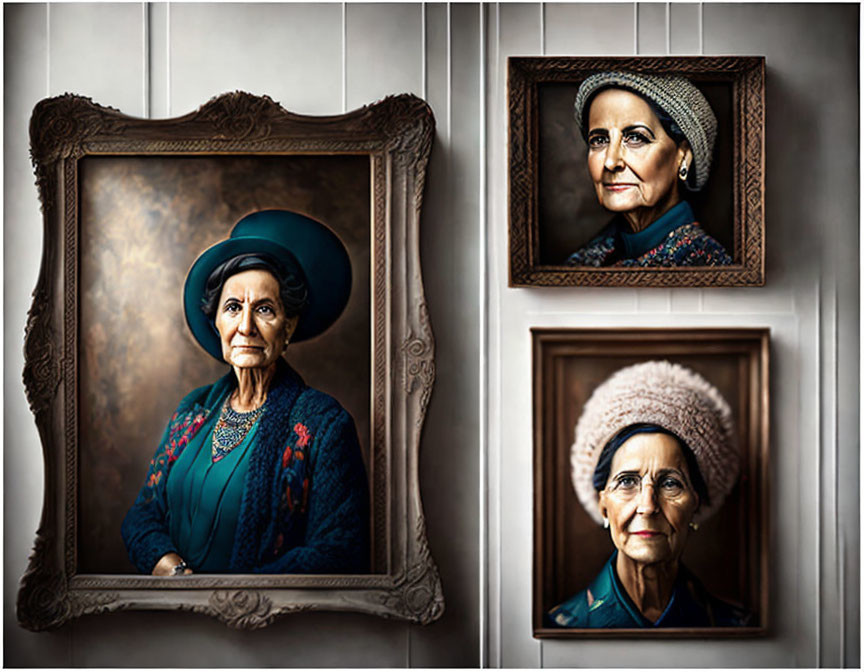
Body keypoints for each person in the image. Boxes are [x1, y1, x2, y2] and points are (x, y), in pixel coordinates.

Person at [121, 209, 369, 575]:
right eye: (233, 307)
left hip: (262, 627)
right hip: (169, 617)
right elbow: (143, 515)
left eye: (265, 309)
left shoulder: (324, 425)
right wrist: (174, 574)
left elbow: (338, 552)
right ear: (216, 321)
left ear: (289, 327)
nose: (246, 326)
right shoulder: (194, 409)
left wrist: (230, 598)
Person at [546, 361, 750, 628]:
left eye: (670, 483)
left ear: (694, 505)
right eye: (627, 481)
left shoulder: (734, 628)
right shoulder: (561, 629)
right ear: (603, 505)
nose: (648, 506)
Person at [566, 72, 732, 267]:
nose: (610, 162)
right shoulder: (583, 260)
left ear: (683, 155)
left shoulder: (706, 265)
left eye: (636, 138)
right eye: (599, 140)